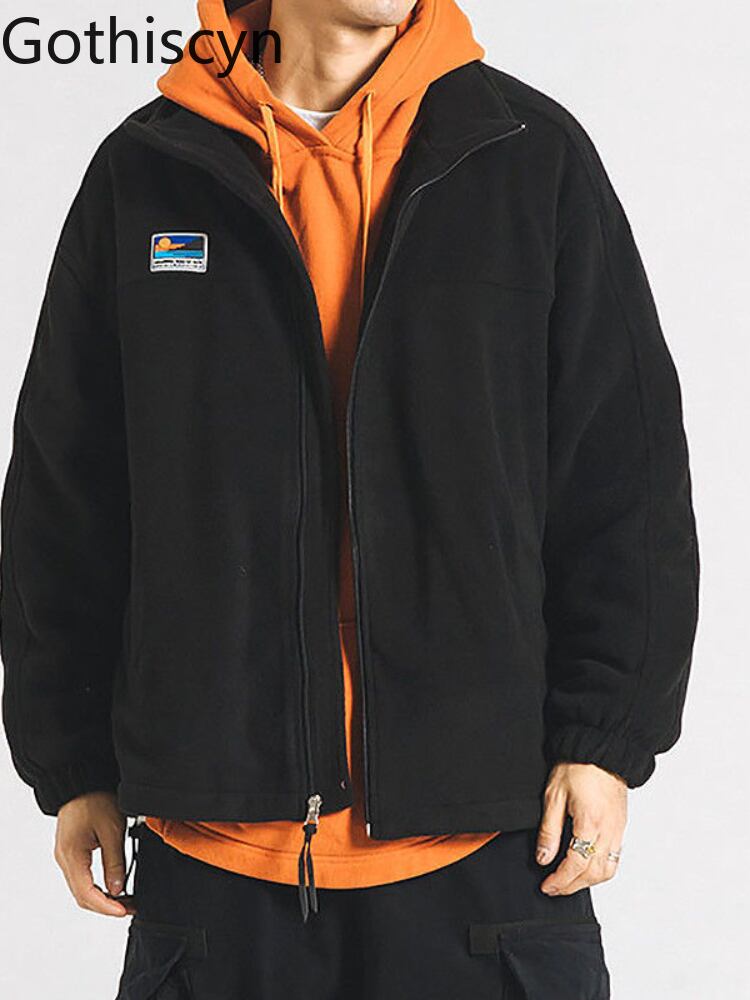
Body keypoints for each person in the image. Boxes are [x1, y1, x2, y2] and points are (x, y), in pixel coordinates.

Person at [0, 1, 699, 997]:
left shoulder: (527, 156)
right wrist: (73, 764)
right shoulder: (146, 171)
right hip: (216, 862)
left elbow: (626, 475)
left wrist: (605, 740)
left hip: (487, 852)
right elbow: (65, 493)